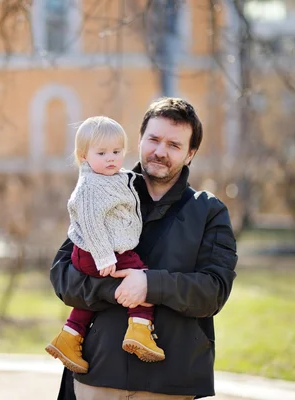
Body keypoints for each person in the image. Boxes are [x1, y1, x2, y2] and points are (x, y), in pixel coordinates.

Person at [50, 98, 238, 400]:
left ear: (190, 154)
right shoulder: (96, 191)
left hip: (169, 385)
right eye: (153, 139)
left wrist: (150, 285)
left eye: (174, 145)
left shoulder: (208, 211)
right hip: (97, 376)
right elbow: (64, 278)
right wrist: (119, 289)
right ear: (139, 140)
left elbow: (213, 291)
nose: (160, 151)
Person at [45, 116, 165, 376]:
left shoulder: (112, 177)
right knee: (139, 278)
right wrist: (103, 256)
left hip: (101, 251)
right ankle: (140, 328)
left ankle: (68, 336)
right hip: (96, 252)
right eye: (102, 153)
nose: (111, 158)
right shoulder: (90, 185)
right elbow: (90, 222)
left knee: (91, 300)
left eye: (117, 151)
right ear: (83, 156)